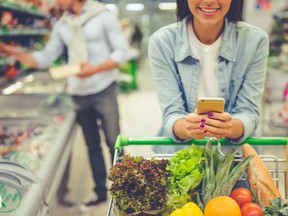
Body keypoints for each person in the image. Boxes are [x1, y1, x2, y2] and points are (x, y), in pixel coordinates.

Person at [0, 0, 128, 212]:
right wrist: (12, 51)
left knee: (115, 142)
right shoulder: (63, 25)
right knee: (92, 146)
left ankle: (124, 191)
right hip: (79, 93)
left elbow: (122, 52)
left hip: (103, 87)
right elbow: (45, 58)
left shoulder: (102, 16)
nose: (56, 2)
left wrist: (95, 69)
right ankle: (99, 193)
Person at [148, 0, 269, 150]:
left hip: (234, 159)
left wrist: (227, 127)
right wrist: (189, 127)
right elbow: (172, 113)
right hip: (181, 155)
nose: (209, 1)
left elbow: (248, 112)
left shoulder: (255, 41)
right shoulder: (162, 42)